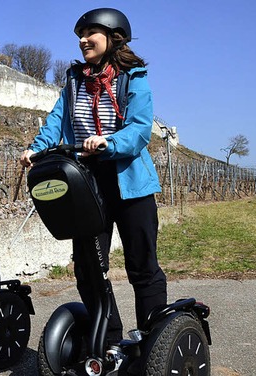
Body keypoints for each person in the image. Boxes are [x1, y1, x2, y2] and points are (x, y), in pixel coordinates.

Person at [19, 8, 167, 345]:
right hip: (87, 185)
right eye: (80, 36)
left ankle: (153, 341)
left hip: (130, 183)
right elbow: (57, 120)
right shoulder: (74, 79)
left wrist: (109, 142)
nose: (83, 40)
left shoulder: (133, 76)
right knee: (87, 269)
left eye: (90, 33)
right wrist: (36, 148)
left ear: (113, 37)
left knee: (142, 267)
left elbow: (141, 129)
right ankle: (111, 338)